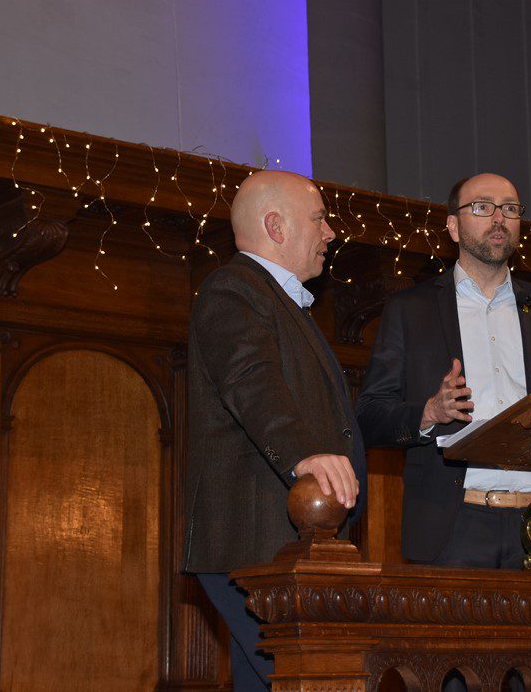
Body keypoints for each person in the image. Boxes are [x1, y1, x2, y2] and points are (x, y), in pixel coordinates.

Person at [355, 172, 531, 572]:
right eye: (483, 207)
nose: (499, 218)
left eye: (510, 209)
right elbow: (370, 415)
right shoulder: (411, 310)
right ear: (453, 226)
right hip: (452, 528)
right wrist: (428, 413)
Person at [183, 170, 366, 691]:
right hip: (253, 540)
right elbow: (250, 379)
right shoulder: (233, 289)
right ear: (276, 226)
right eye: (319, 219)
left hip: (282, 542)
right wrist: (306, 455)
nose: (331, 232)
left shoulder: (282, 301)